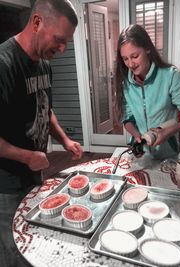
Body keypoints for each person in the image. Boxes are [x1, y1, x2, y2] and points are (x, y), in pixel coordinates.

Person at [0, 0, 83, 266]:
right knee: (13, 250)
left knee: (33, 240)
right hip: (7, 184)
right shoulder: (4, 64)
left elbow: (46, 110)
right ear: (37, 22)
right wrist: (27, 157)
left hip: (36, 171)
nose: (63, 48)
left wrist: (65, 139)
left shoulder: (45, 65)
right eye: (60, 40)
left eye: (67, 42)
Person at [115, 24, 180, 160]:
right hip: (142, 155)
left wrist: (170, 131)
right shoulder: (126, 85)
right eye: (125, 59)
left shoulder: (170, 76)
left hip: (169, 153)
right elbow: (128, 118)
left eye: (135, 56)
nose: (131, 64)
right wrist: (136, 136)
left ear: (148, 49)